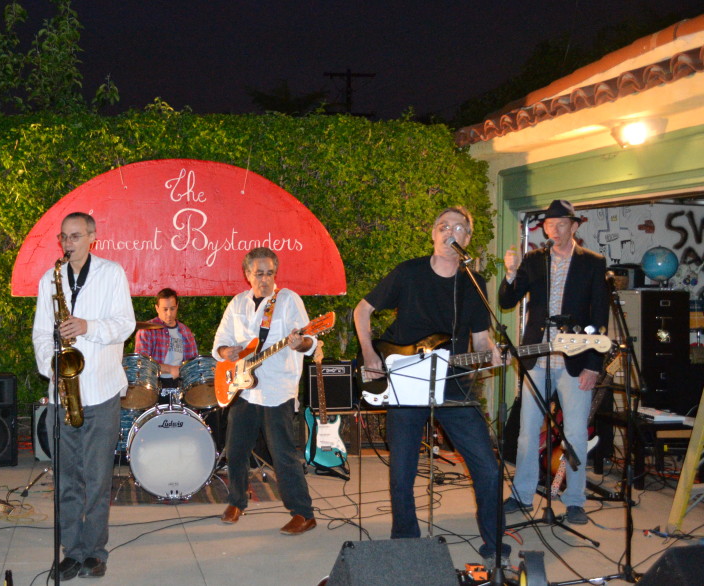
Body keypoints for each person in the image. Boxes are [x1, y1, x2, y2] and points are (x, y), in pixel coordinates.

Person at [353, 206, 505, 561]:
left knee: (485, 464)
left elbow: (481, 340)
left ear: (468, 239)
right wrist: (370, 355)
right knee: (403, 468)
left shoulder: (474, 284)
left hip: (453, 382)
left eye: (458, 229)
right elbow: (362, 310)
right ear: (433, 234)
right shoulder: (409, 273)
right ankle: (406, 542)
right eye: (443, 227)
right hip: (404, 378)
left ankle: (495, 544)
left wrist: (493, 352)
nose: (450, 233)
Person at [32, 212, 136, 580]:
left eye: (76, 236)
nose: (68, 243)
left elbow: (126, 323)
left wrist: (87, 327)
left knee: (97, 478)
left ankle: (95, 552)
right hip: (65, 393)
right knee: (67, 479)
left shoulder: (111, 274)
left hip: (103, 388)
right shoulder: (51, 278)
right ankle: (71, 552)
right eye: (64, 237)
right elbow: (41, 334)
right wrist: (53, 365)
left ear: (93, 237)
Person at [499, 199, 609, 525]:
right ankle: (522, 494)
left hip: (576, 360)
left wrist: (594, 364)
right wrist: (510, 272)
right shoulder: (534, 260)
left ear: (574, 227)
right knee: (526, 433)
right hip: (537, 357)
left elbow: (599, 315)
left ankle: (574, 500)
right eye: (548, 225)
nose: (554, 230)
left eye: (560, 224)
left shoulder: (593, 263)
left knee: (574, 434)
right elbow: (507, 301)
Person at [213, 246, 317, 535]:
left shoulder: (288, 301)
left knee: (282, 454)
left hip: (277, 389)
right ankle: (237, 502)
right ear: (247, 275)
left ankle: (303, 513)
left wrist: (303, 343)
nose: (265, 279)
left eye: (270, 273)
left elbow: (309, 341)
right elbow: (220, 341)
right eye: (258, 273)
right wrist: (226, 351)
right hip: (243, 389)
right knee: (235, 450)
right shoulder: (237, 303)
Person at [134, 288, 198, 401]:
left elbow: (192, 364)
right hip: (155, 385)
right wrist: (170, 369)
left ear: (177, 306)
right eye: (165, 309)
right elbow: (142, 364)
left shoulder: (185, 331)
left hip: (180, 386)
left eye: (172, 309)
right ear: (157, 308)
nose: (169, 314)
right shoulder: (147, 330)